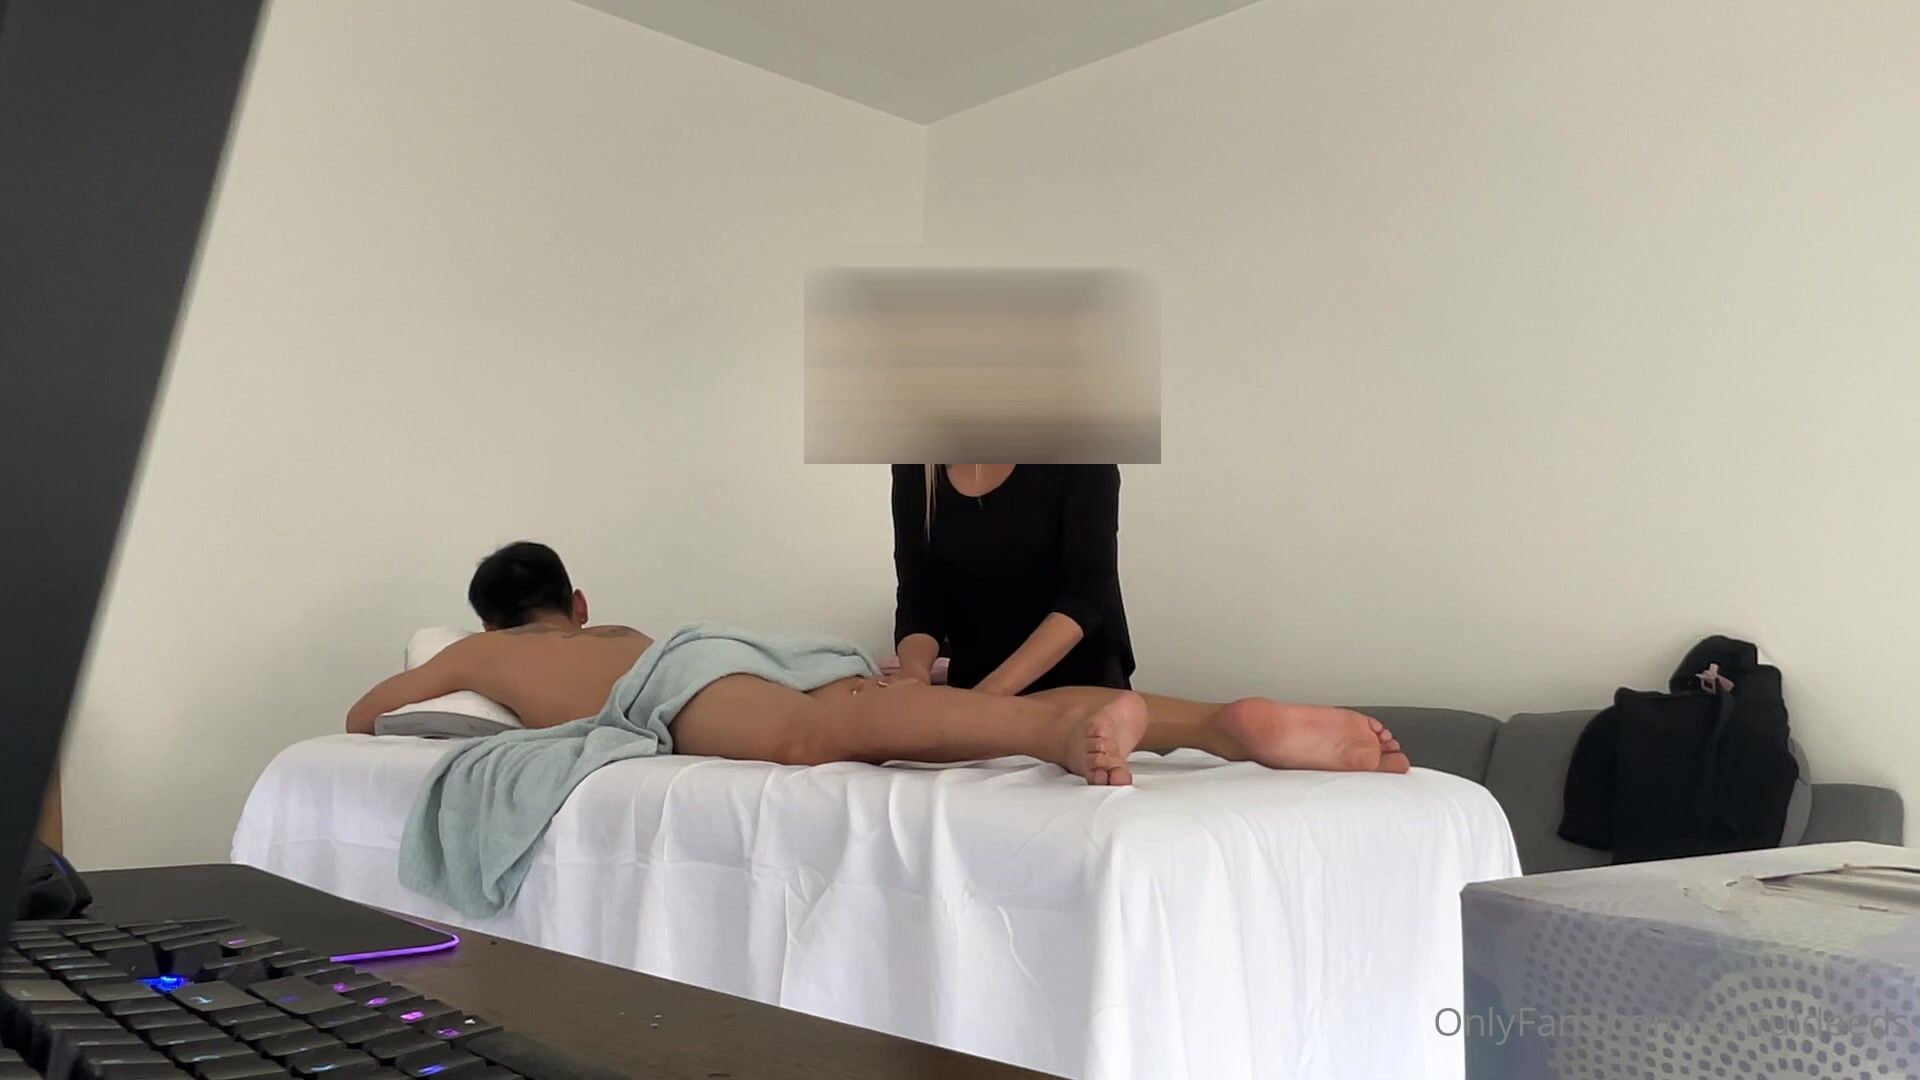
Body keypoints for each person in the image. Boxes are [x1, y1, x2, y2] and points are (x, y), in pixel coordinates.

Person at [346, 542, 1409, 784]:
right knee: (861, 700)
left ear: (492, 619)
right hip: (732, 650)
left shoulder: (483, 650)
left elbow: (366, 716)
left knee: (823, 736)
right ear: (577, 601)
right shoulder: (614, 630)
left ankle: (1055, 729)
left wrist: (455, 675)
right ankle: (1217, 725)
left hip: (675, 690)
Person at [890, 464, 1133, 695]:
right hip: (972, 688)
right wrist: (914, 673)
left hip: (1077, 692)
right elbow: (919, 601)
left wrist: (989, 694)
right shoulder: (916, 467)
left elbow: (1085, 598)